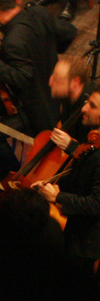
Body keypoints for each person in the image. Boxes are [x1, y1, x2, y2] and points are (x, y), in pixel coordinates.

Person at [0, 0, 76, 178]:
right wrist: (47, 51)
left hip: (38, 110)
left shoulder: (13, 41)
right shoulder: (38, 12)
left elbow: (21, 79)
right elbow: (69, 32)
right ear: (18, 0)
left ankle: (13, 175)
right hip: (54, 96)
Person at [34, 87, 100, 275]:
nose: (84, 108)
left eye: (93, 106)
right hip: (75, 224)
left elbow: (96, 203)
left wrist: (58, 197)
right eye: (87, 102)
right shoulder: (95, 138)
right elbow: (82, 172)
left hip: (85, 242)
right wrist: (49, 186)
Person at [48, 56, 93, 142]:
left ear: (75, 82)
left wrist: (71, 145)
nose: (50, 82)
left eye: (57, 78)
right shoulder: (67, 97)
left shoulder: (93, 108)